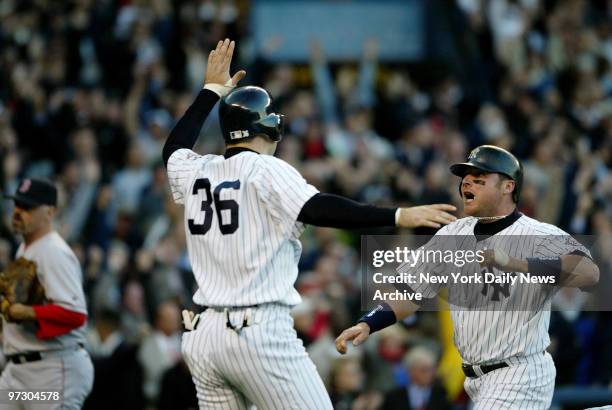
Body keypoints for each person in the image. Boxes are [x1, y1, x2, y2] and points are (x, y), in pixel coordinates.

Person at [162, 38, 457, 409]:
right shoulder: (265, 168)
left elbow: (173, 149)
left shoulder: (199, 170)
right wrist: (397, 215)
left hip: (204, 335)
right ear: (269, 128)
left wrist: (210, 91)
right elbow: (318, 209)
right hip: (257, 331)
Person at [336, 145, 600, 409]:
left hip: (520, 373)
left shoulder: (538, 233)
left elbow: (589, 273)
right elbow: (410, 292)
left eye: (480, 180)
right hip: (476, 379)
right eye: (466, 179)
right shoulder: (452, 235)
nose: (467, 184)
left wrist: (515, 263)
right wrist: (368, 323)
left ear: (508, 186)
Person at [0, 178, 93, 409]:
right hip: (18, 373)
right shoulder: (25, 248)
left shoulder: (54, 252)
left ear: (50, 212)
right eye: (17, 205)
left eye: (28, 207)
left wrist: (28, 311)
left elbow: (75, 315)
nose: (19, 212)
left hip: (50, 372)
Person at [381, 346, 451, 410]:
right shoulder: (394, 397)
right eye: (424, 370)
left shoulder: (441, 394)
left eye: (432, 370)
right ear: (411, 372)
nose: (429, 374)